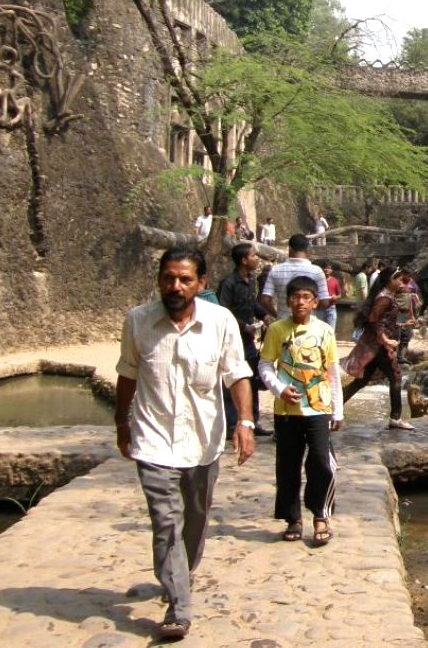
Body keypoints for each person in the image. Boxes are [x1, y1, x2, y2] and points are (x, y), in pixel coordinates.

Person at [115, 248, 255, 641]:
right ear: (158, 280)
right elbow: (127, 374)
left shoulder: (219, 322)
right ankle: (179, 606)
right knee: (165, 520)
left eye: (184, 279)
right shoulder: (138, 321)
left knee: (195, 517)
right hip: (153, 436)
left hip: (202, 439)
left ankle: (181, 572)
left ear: (201, 284)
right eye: (168, 278)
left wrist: (244, 421)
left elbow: (237, 373)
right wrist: (121, 424)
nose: (175, 286)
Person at [258, 275, 342, 546]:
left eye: (306, 297)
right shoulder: (277, 330)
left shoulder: (325, 332)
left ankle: (320, 514)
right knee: (288, 466)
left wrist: (337, 410)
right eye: (295, 297)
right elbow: (265, 365)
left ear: (315, 302)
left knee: (321, 461)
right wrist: (278, 388)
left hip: (318, 407)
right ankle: (292, 517)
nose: (300, 302)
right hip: (286, 410)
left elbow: (332, 372)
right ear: (288, 301)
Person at [341, 269, 414, 429]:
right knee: (396, 377)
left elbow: (383, 320)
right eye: (399, 279)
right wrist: (385, 339)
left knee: (362, 381)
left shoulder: (385, 296)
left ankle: (333, 407)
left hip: (376, 345)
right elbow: (374, 319)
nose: (402, 282)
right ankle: (395, 418)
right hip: (380, 346)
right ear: (390, 280)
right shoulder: (385, 298)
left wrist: (401, 325)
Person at [218, 242, 273, 437]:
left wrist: (264, 316)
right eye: (253, 256)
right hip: (232, 342)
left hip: (248, 342)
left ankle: (252, 421)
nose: (257, 258)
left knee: (252, 380)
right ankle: (232, 424)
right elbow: (223, 311)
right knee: (232, 380)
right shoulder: (229, 283)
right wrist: (243, 326)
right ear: (243, 260)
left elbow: (254, 304)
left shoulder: (251, 280)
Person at [259, 234, 330, 321]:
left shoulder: (276, 270)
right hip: (308, 324)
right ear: (308, 250)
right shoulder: (317, 271)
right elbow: (325, 302)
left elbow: (264, 300)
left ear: (289, 249)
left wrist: (277, 315)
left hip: (283, 323)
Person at [316, 262, 341, 331]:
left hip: (331, 307)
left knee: (331, 329)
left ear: (331, 270)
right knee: (319, 329)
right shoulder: (318, 280)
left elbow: (339, 295)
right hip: (320, 307)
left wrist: (336, 297)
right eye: (325, 268)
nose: (326, 270)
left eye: (329, 268)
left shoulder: (335, 281)